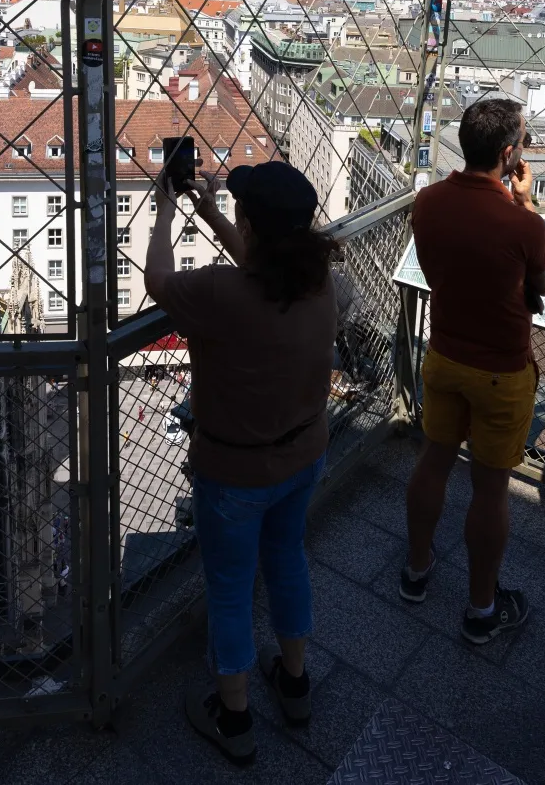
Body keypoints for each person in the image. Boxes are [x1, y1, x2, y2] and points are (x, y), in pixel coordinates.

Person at [146, 160, 347, 766]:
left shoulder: (219, 293)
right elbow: (263, 270)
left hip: (234, 471)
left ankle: (233, 717)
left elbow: (157, 279)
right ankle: (294, 682)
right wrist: (209, 210)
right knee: (287, 562)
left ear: (251, 222)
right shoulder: (317, 280)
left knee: (230, 590)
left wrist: (164, 208)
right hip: (305, 453)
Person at [402, 96, 545, 643]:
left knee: (433, 461)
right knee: (491, 489)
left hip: (444, 354)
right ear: (508, 152)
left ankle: (416, 571)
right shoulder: (521, 225)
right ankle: (480, 608)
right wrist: (527, 205)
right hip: (500, 369)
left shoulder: (428, 202)